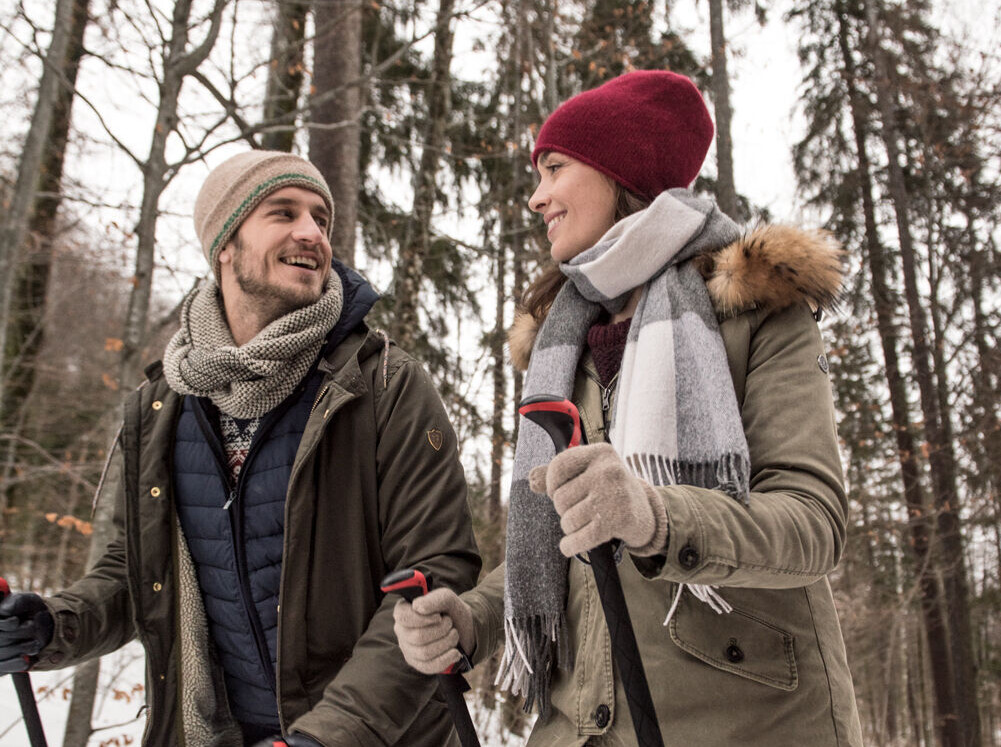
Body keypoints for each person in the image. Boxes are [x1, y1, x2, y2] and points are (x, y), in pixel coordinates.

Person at [393, 70, 864, 745]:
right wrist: (472, 620)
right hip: (577, 726)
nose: (536, 196)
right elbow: (564, 534)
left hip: (745, 721)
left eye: (554, 167)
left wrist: (655, 516)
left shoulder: (753, 310)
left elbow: (813, 522)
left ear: (618, 171)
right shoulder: (558, 343)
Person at [0, 151, 481, 746]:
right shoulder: (160, 406)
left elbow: (433, 573)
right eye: (283, 213)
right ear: (224, 244)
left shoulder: (382, 385)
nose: (312, 233)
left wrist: (329, 736)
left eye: (321, 219)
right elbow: (136, 576)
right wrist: (51, 625)